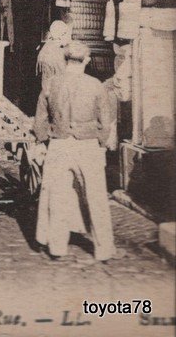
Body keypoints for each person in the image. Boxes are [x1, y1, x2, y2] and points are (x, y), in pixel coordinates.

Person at [33, 40, 118, 262]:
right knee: (97, 197)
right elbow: (105, 121)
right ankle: (104, 249)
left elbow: (40, 118)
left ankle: (57, 247)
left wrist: (42, 141)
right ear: (87, 61)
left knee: (57, 196)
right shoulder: (95, 85)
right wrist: (100, 142)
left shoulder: (51, 84)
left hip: (59, 144)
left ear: (64, 60)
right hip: (87, 144)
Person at [36, 19, 71, 92]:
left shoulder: (48, 46)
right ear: (61, 35)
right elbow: (63, 77)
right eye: (68, 34)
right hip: (53, 91)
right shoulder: (55, 52)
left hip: (46, 88)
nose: (69, 38)